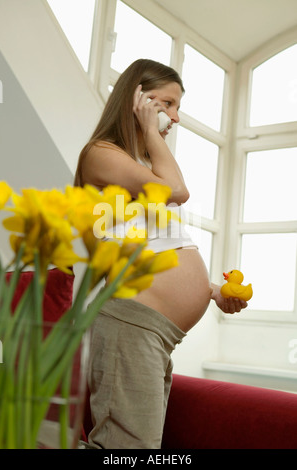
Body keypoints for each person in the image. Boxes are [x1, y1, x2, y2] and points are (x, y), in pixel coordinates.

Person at [74, 59, 247, 449]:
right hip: (131, 324)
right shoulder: (101, 153)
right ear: (138, 99)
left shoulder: (139, 167)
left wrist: (211, 290)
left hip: (152, 332)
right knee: (127, 450)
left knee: (134, 447)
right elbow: (176, 191)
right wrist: (153, 132)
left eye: (178, 107)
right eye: (168, 104)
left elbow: (154, 246)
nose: (175, 118)